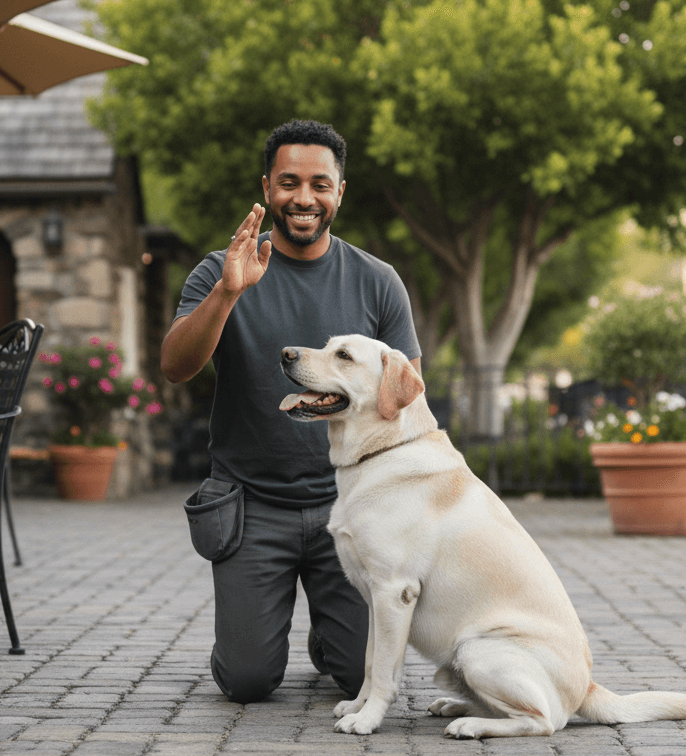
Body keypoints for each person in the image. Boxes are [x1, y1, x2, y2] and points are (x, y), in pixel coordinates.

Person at [162, 120, 422, 704]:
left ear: (339, 192)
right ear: (267, 187)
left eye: (319, 184)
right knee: (248, 680)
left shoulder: (378, 282)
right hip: (251, 504)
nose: (304, 198)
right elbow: (176, 366)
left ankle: (331, 640)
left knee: (360, 678)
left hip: (351, 503)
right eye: (288, 183)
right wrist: (228, 294)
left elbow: (407, 395)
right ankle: (255, 636)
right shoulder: (219, 270)